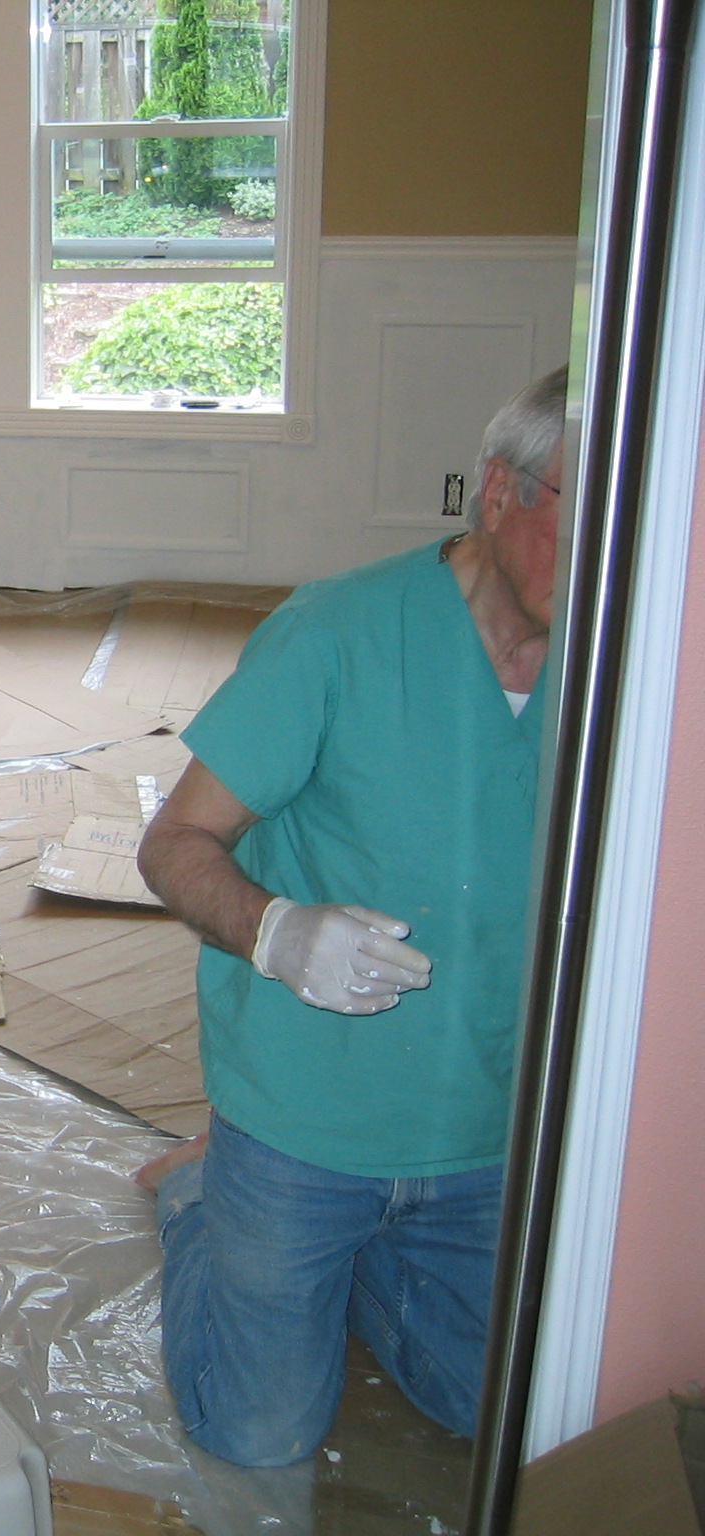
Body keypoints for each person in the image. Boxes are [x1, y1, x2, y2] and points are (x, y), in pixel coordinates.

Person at [132, 366, 569, 1467]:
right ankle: (201, 1197)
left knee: (507, 1414)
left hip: (492, 1134)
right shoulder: (335, 635)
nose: (621, 555)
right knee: (260, 1433)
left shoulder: (628, 666)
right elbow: (173, 844)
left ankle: (362, 1264)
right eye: (589, 510)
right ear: (500, 493)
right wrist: (275, 930)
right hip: (306, 1126)